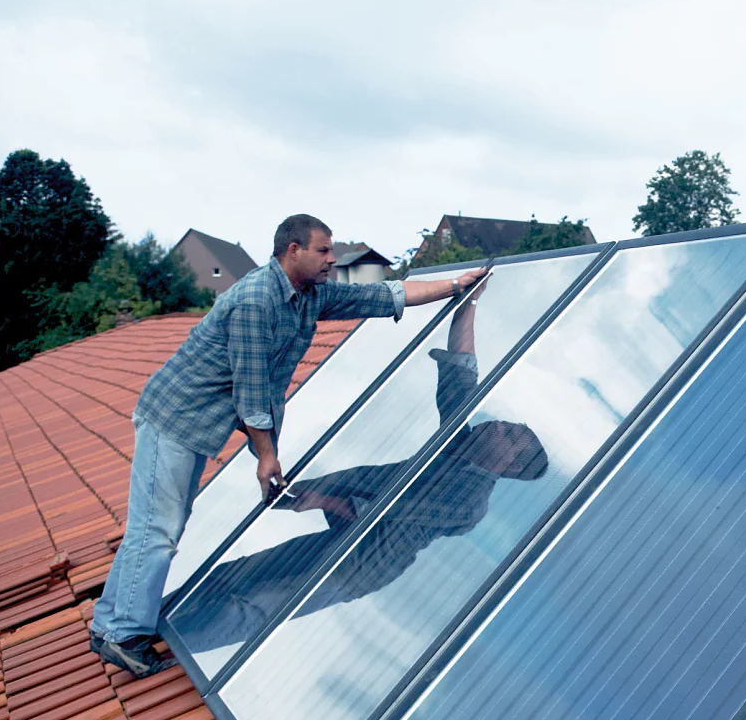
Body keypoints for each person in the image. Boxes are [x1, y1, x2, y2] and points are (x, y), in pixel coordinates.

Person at [89, 213, 488, 677]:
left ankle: (110, 623)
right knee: (158, 529)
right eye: (323, 250)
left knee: (156, 525)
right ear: (292, 250)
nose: (332, 259)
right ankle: (121, 634)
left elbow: (382, 295)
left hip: (195, 425)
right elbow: (252, 391)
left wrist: (456, 285)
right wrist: (266, 455)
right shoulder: (258, 300)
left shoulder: (308, 296)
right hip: (175, 419)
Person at [171, 280, 548, 655]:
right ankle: (149, 624)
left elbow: (384, 514)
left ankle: (163, 655)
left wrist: (319, 498)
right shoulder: (458, 445)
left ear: (509, 466)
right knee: (233, 576)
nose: (499, 424)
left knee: (252, 606)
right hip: (341, 537)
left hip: (357, 566)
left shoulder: (468, 502)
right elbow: (461, 372)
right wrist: (469, 303)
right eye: (507, 425)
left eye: (510, 435)